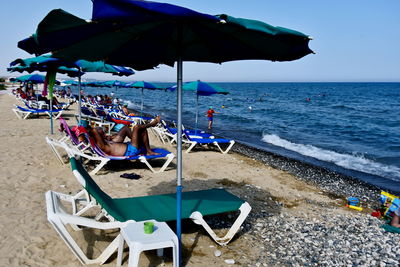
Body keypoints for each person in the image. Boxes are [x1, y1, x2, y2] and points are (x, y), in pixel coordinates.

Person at [89, 116, 161, 157]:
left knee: (141, 130)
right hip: (131, 151)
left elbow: (114, 142)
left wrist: (108, 137)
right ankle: (152, 124)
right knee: (136, 127)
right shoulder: (101, 145)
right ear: (97, 135)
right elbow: (93, 130)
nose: (104, 133)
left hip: (129, 145)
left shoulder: (105, 141)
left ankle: (148, 151)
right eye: (101, 132)